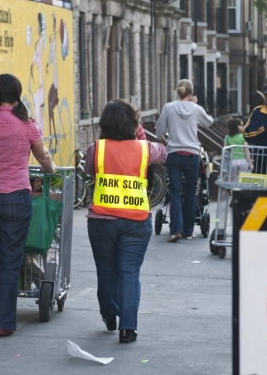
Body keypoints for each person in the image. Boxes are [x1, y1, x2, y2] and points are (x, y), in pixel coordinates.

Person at [0, 74, 55, 337]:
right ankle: (3, 322)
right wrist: (50, 168)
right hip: (15, 197)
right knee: (9, 260)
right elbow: (43, 156)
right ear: (17, 94)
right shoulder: (27, 125)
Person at [84, 100, 167, 343]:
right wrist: (138, 130)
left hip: (102, 221)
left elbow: (90, 170)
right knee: (129, 273)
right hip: (136, 221)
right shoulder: (145, 149)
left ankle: (110, 315)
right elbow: (163, 152)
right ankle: (128, 328)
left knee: (106, 272)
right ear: (133, 123)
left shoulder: (96, 149)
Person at [156, 79, 214, 242]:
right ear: (191, 93)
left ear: (178, 91)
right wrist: (195, 104)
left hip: (173, 154)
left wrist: (162, 138)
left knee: (174, 192)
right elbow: (209, 123)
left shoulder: (168, 107)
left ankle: (176, 231)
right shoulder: (196, 109)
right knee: (190, 193)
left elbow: (159, 129)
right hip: (192, 155)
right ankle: (188, 231)